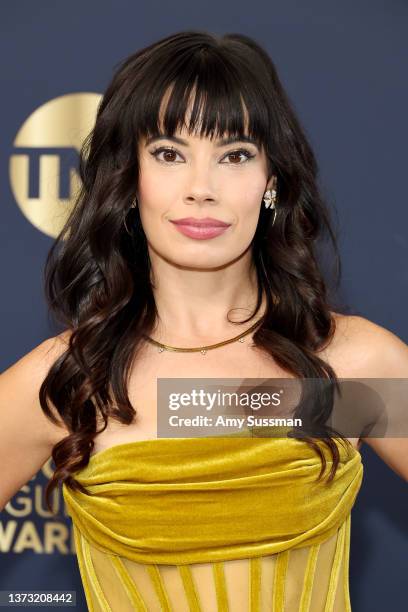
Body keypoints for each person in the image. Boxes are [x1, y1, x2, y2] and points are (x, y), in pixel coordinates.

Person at [1, 30, 407, 611]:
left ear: (271, 182)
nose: (201, 189)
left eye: (234, 155)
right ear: (128, 177)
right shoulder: (71, 383)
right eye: (169, 154)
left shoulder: (348, 367)